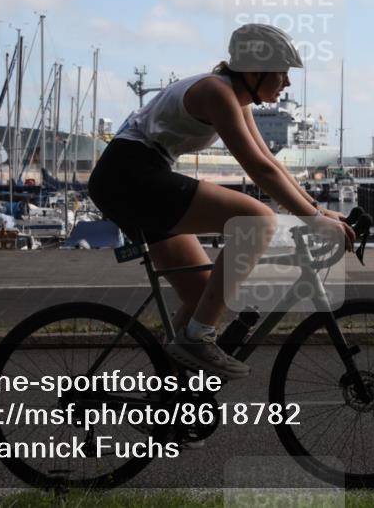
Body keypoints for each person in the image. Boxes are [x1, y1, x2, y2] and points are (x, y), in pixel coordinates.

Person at [88, 24, 355, 379]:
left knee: (203, 293)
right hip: (132, 174)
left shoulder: (235, 96)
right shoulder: (217, 92)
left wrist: (318, 210)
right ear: (255, 72)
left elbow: (271, 161)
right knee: (257, 220)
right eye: (282, 73)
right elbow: (258, 168)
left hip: (134, 177)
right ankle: (198, 338)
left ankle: (171, 402)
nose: (287, 83)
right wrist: (313, 220)